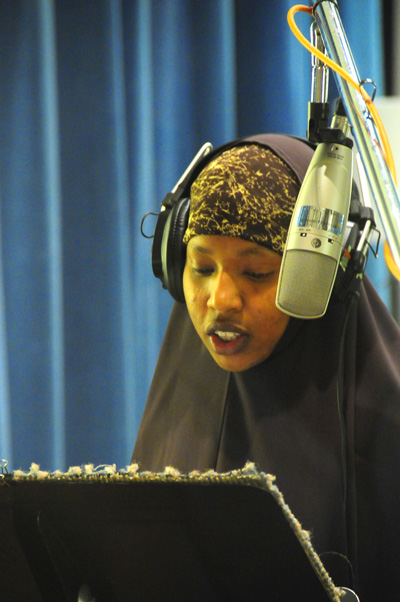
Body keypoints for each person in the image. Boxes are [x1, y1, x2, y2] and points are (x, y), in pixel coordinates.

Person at [132, 134, 400, 600]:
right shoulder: (174, 410)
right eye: (201, 268)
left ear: (320, 279)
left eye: (255, 273)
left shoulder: (388, 428)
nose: (220, 300)